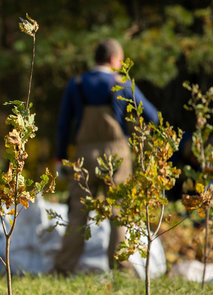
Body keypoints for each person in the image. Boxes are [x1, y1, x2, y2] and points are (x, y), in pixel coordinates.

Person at [52, 38, 159, 275]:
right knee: (119, 211)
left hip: (84, 154)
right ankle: (121, 269)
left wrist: (60, 157)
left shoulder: (77, 83)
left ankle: (63, 269)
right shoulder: (122, 82)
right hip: (117, 154)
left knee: (78, 211)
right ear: (113, 60)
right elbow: (152, 116)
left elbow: (63, 124)